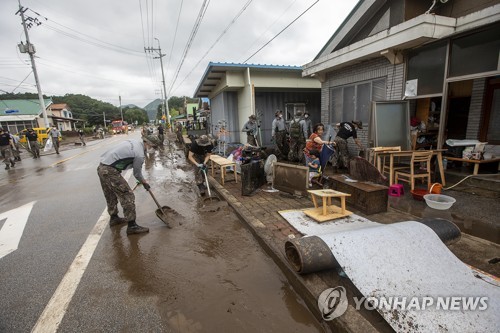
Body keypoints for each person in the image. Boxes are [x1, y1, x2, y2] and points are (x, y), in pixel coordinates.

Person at [97, 138, 152, 235]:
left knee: (110, 194)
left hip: (101, 167)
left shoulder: (134, 142)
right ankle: (132, 226)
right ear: (147, 143)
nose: (151, 148)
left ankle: (114, 218)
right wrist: (144, 183)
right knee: (127, 195)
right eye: (152, 146)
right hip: (109, 170)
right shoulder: (139, 154)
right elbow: (137, 174)